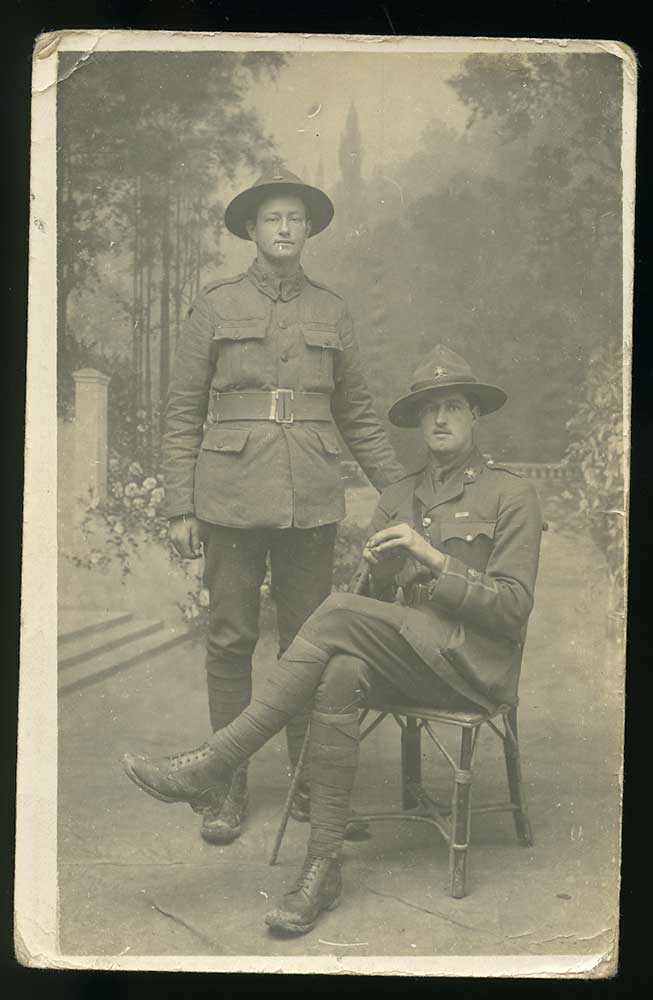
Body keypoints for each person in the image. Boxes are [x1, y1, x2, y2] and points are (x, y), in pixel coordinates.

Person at [123, 345, 544, 936]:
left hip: (475, 664)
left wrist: (431, 559)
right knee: (342, 667)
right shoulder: (398, 496)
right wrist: (378, 574)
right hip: (414, 656)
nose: (440, 420)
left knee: (338, 614)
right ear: (418, 423)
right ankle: (321, 869)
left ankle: (220, 761)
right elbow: (375, 606)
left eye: (453, 407)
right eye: (428, 411)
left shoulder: (510, 494)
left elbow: (513, 608)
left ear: (475, 415)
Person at [161, 165, 405, 846]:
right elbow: (182, 414)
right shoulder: (214, 305)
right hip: (230, 495)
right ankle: (223, 787)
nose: (285, 228)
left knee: (310, 643)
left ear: (307, 231)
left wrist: (397, 490)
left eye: (295, 218)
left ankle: (306, 786)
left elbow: (355, 411)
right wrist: (179, 505)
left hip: (310, 498)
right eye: (273, 217)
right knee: (231, 638)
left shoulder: (331, 310)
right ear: (250, 228)